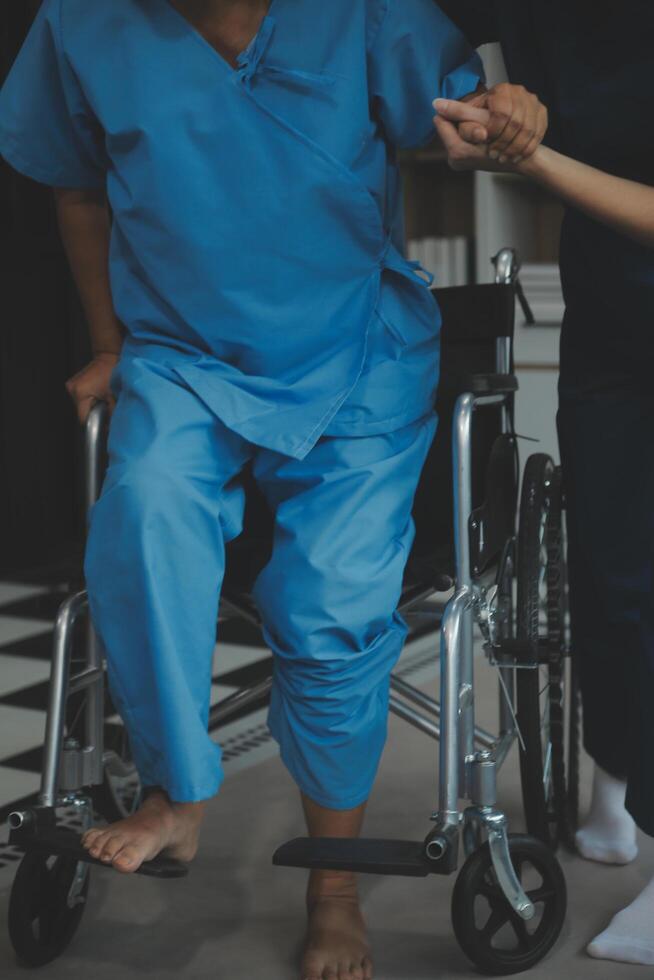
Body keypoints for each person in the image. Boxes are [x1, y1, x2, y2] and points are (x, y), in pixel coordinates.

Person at [0, 2, 545, 977]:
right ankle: (179, 794)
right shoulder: (83, 23)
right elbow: (76, 186)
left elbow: (465, 122)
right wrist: (109, 344)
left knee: (332, 606)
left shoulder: (361, 14)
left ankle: (331, 882)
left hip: (354, 352)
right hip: (180, 356)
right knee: (142, 513)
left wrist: (505, 117)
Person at [434, 86, 654, 968]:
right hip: (611, 315)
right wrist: (483, 111)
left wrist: (528, 154)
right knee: (606, 569)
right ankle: (616, 777)